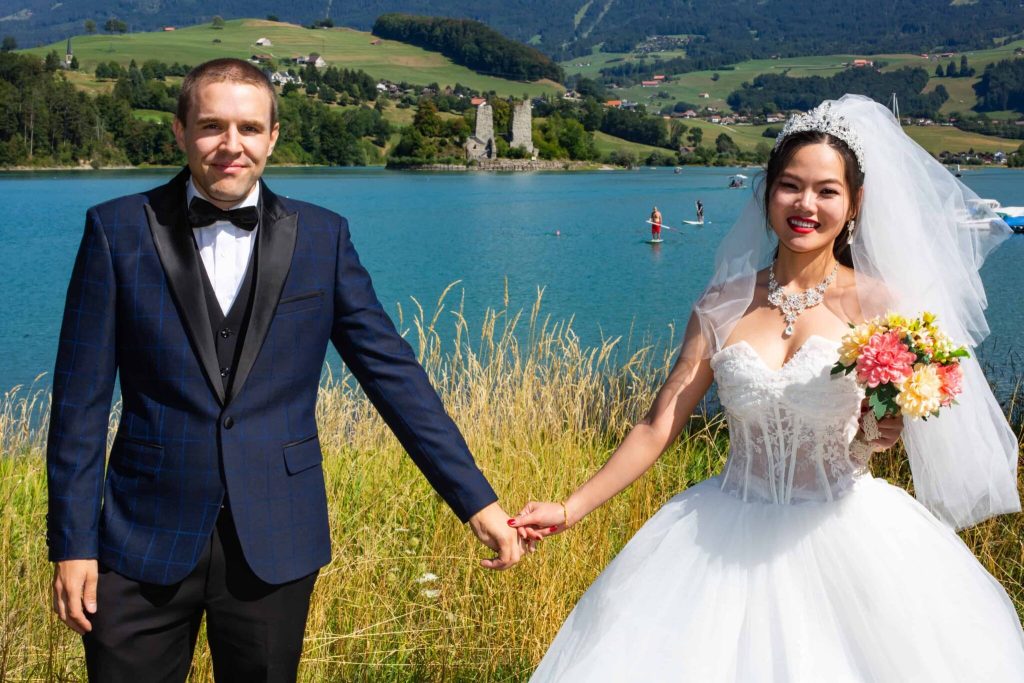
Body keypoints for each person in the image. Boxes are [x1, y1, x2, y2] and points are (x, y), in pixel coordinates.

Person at [512, 95, 1024, 680]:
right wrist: (569, 508)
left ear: (854, 204)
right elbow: (658, 427)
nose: (806, 204)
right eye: (790, 186)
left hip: (848, 537)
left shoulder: (881, 305)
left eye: (827, 190)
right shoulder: (720, 305)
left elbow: (898, 418)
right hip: (719, 539)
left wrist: (886, 429)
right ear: (768, 194)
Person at [46, 58, 525, 682]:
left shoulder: (324, 238)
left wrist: (477, 502)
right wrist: (74, 542)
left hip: (276, 538)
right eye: (212, 126)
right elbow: (78, 403)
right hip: (137, 543)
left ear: (273, 136)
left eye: (248, 128)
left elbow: (393, 377)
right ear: (180, 132)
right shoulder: (115, 230)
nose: (231, 145)